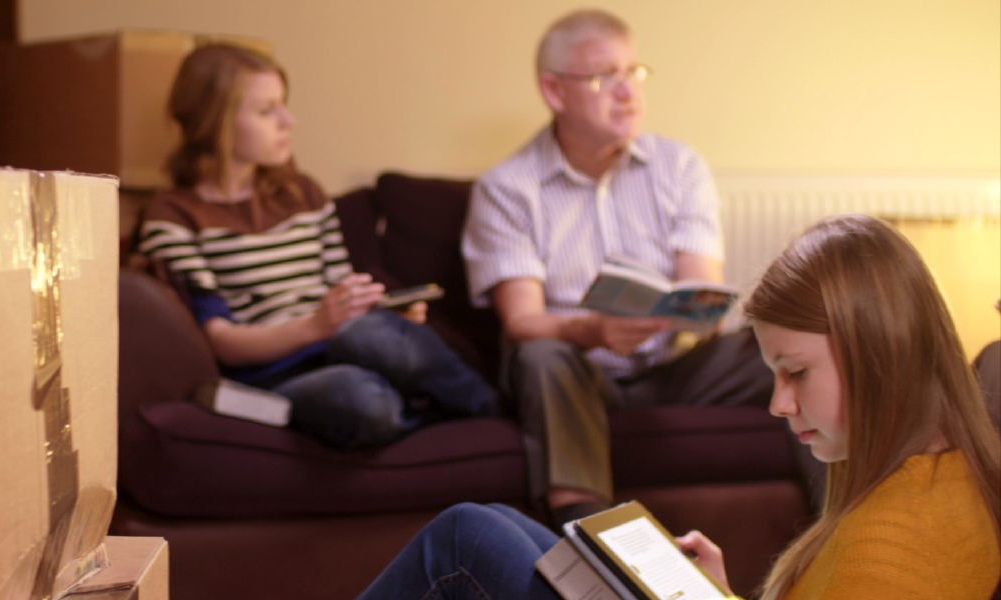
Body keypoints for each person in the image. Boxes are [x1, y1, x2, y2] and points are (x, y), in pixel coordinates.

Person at [359, 214, 1001, 599]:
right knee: (496, 525)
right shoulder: (932, 473)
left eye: (796, 372)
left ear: (877, 352)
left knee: (464, 539)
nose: (779, 403)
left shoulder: (891, 549)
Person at [461, 8, 777, 525]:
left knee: (795, 342)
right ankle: (593, 548)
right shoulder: (507, 188)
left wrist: (694, 310)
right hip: (581, 376)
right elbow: (522, 320)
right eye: (604, 77)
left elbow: (704, 290)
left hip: (675, 367)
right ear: (555, 90)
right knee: (542, 354)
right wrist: (592, 330)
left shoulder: (679, 166)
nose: (627, 92)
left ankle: (846, 527)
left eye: (633, 72)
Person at [138, 43, 498, 450]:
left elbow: (340, 287)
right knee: (361, 398)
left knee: (374, 335)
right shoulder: (174, 216)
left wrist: (379, 311)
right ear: (215, 121)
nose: (287, 121)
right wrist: (315, 326)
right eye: (266, 111)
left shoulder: (301, 193)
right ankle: (416, 405)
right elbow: (221, 340)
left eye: (284, 105)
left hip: (347, 344)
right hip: (276, 374)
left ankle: (490, 412)